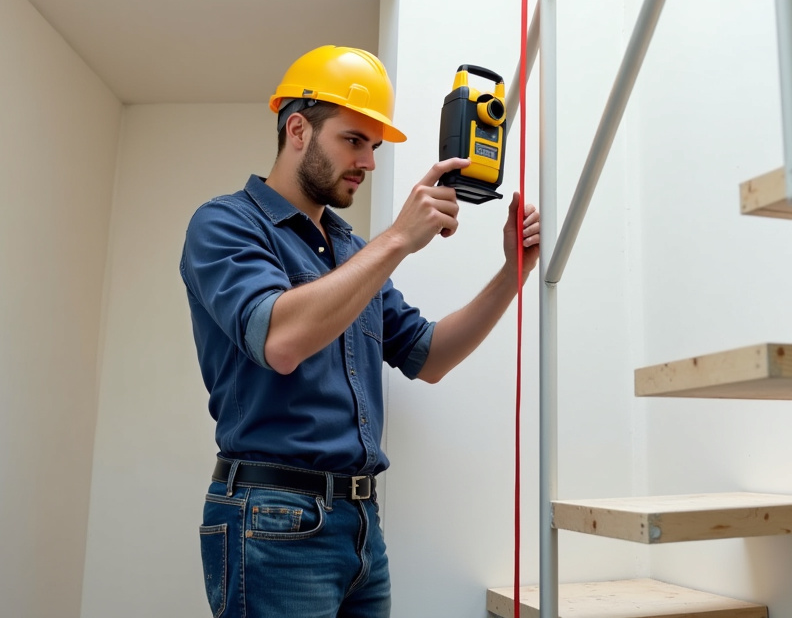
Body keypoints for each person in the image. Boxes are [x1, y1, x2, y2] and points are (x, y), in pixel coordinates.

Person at [180, 45, 540, 618]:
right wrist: (397, 240)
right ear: (297, 129)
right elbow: (280, 341)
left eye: (373, 147)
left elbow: (431, 356)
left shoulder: (351, 251)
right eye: (353, 140)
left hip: (361, 526)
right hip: (273, 519)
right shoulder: (225, 223)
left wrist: (511, 275)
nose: (368, 162)